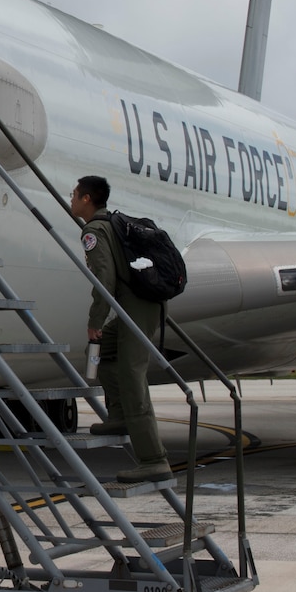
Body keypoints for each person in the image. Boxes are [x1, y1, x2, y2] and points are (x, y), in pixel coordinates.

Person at [69, 175, 169, 483]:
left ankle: (154, 459)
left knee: (131, 374)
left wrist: (95, 322)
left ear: (87, 199)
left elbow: (104, 280)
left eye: (74, 194)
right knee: (102, 352)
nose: (70, 199)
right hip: (139, 304)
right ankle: (120, 417)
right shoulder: (111, 224)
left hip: (138, 305)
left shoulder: (94, 231)